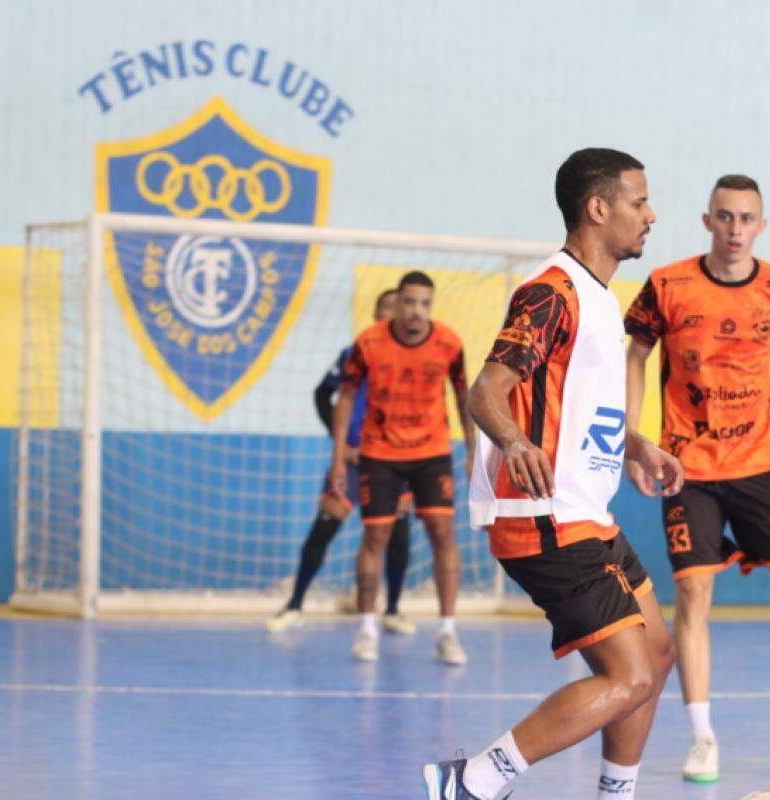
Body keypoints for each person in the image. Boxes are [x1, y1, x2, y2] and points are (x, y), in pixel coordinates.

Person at [422, 148, 682, 800]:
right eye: (639, 201)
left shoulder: (596, 297)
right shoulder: (551, 292)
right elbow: (487, 391)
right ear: (599, 208)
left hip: (587, 513)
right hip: (543, 517)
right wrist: (511, 440)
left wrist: (635, 445)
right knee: (627, 676)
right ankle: (472, 782)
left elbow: (575, 408)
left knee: (656, 657)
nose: (651, 215)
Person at [623, 174, 770, 781]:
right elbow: (636, 356)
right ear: (706, 220)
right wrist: (634, 442)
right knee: (694, 591)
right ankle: (702, 737)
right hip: (686, 465)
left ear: (761, 226)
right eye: (724, 217)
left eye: (746, 218)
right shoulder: (667, 285)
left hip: (761, 462)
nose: (735, 229)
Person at [330, 272, 477, 664]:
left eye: (424, 304)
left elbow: (464, 398)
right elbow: (344, 399)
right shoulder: (368, 343)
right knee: (375, 538)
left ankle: (447, 632)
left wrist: (472, 451)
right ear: (397, 304)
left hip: (431, 452)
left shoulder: (449, 343)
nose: (416, 311)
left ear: (431, 305)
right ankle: (366, 629)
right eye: (409, 302)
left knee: (443, 535)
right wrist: (338, 457)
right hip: (379, 453)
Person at [267, 290, 417, 635]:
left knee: (398, 534)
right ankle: (294, 604)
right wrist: (341, 443)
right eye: (387, 308)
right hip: (352, 460)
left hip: (395, 462)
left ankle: (392, 609)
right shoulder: (356, 353)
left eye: (399, 309)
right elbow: (323, 393)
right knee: (324, 527)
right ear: (377, 314)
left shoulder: (413, 359)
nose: (393, 314)